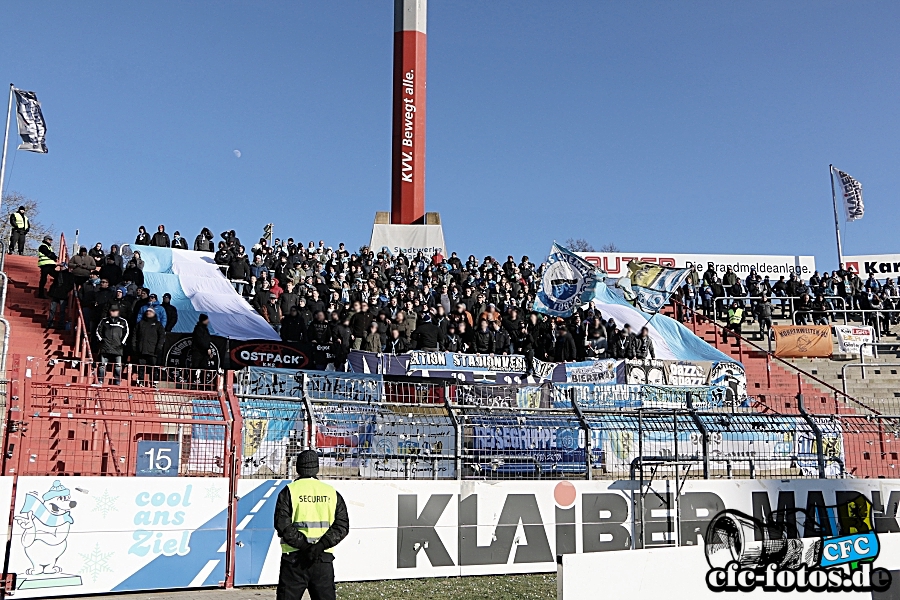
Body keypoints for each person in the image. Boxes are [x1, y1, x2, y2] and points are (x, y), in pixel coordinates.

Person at [274, 450, 349, 600]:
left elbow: (282, 524)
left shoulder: (289, 491)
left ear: (298, 468)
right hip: (322, 559)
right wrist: (319, 546)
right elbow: (342, 526)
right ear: (316, 468)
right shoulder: (331, 492)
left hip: (294, 559)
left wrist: (304, 546)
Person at [96, 305, 129, 385]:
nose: (113, 312)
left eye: (115, 310)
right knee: (102, 365)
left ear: (118, 311)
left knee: (118, 365)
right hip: (105, 347)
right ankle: (101, 379)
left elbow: (126, 332)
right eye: (112, 310)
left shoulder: (123, 321)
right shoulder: (104, 321)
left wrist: (122, 342)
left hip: (118, 347)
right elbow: (98, 331)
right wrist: (101, 340)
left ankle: (117, 380)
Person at [133, 305, 166, 382]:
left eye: (150, 311)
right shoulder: (140, 323)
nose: (148, 312)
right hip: (141, 349)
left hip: (153, 350)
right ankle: (140, 380)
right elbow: (134, 335)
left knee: (153, 367)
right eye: (147, 311)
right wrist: (134, 345)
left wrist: (159, 347)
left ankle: (154, 381)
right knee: (141, 367)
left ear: (154, 313)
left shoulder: (158, 324)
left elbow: (162, 336)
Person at [47, 263, 73, 329]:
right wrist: (56, 265)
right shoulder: (58, 273)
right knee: (53, 309)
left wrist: (66, 290)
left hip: (62, 294)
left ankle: (60, 324)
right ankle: (51, 322)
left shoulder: (69, 275)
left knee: (61, 310)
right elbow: (50, 271)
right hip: (57, 293)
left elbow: (71, 285)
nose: (61, 268)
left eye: (62, 266)